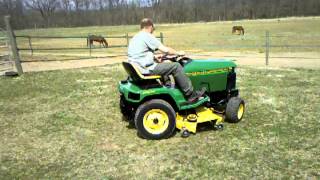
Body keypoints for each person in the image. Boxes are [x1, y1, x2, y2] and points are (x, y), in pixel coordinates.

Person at [127, 18, 204, 102]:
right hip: (144, 69)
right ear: (150, 26)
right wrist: (178, 53)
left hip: (137, 67)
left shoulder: (136, 37)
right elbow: (166, 50)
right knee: (176, 66)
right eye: (153, 28)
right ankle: (190, 94)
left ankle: (167, 86)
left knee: (164, 62)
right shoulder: (147, 35)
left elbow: (139, 54)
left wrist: (154, 57)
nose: (153, 30)